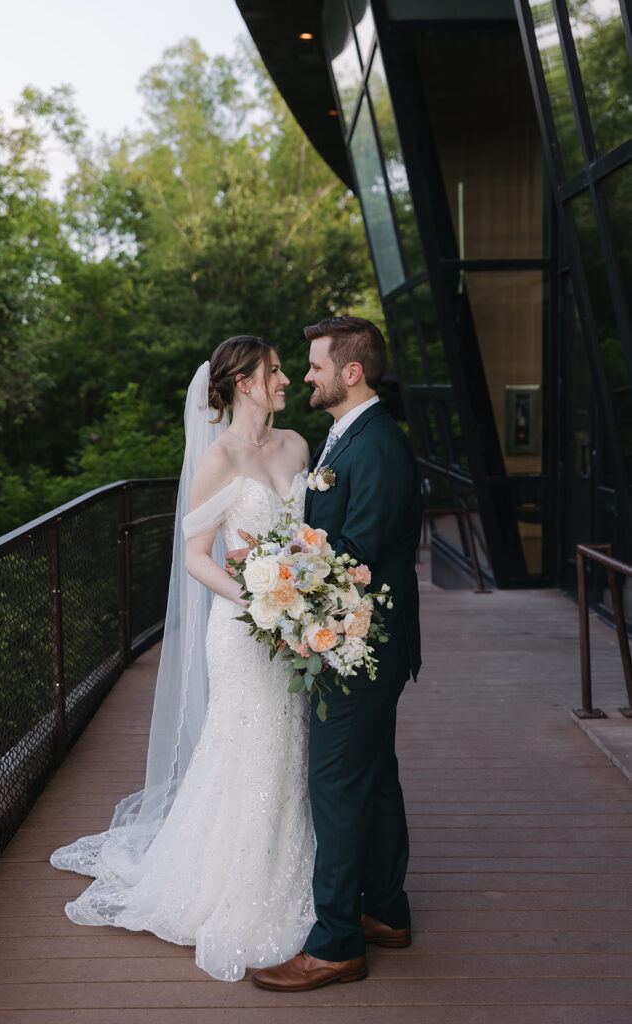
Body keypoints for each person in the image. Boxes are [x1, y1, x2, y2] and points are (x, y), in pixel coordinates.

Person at [50, 336, 316, 982]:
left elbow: (311, 533)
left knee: (287, 746)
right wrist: (258, 602)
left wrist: (308, 594)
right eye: (274, 370)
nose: (284, 379)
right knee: (245, 746)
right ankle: (225, 880)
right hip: (242, 626)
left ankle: (291, 869)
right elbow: (197, 558)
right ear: (244, 383)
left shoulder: (297, 447)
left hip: (296, 625)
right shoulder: (217, 461)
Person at [251, 316, 422, 992]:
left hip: (361, 642)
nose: (308, 377)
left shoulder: (375, 446)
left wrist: (276, 578)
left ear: (350, 373)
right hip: (361, 639)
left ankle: (335, 944)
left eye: (316, 366)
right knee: (372, 775)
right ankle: (384, 909)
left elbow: (357, 554)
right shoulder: (347, 436)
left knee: (336, 786)